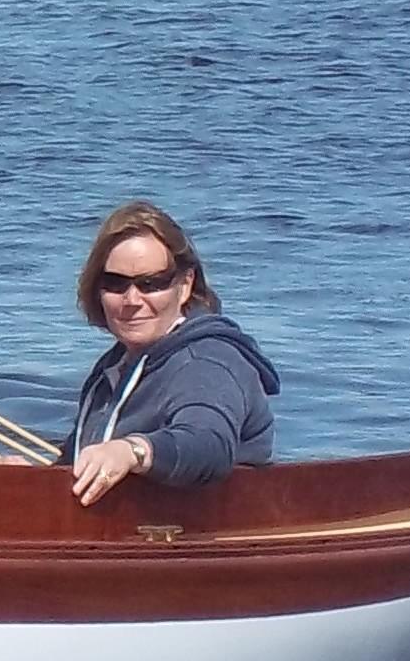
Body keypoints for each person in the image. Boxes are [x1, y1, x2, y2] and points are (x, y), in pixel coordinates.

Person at [63, 200, 277, 506]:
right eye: (115, 283)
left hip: (201, 533)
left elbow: (208, 443)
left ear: (185, 285)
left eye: (151, 284)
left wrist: (132, 451)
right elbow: (86, 465)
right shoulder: (114, 366)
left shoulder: (206, 361)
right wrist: (27, 477)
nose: (131, 299)